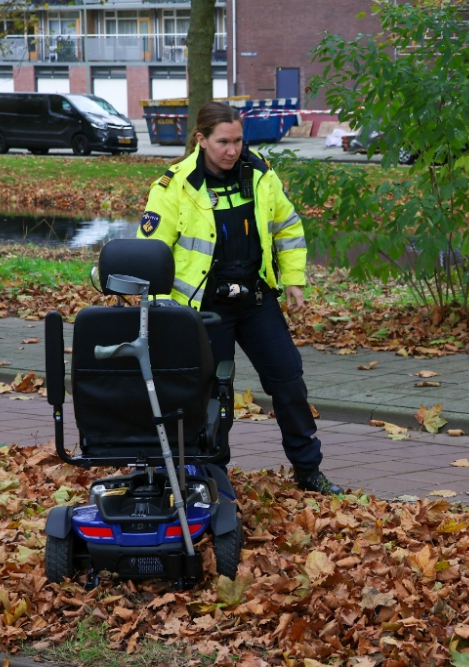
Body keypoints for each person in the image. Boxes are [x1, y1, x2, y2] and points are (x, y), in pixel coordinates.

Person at [138, 101, 343, 495]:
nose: (233, 151)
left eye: (238, 141)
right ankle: (214, 477)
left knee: (288, 381)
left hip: (255, 300)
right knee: (214, 394)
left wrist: (294, 279)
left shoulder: (260, 173)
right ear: (201, 140)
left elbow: (287, 227)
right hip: (202, 309)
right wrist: (158, 310)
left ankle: (308, 470)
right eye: (223, 142)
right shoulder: (173, 186)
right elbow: (152, 254)